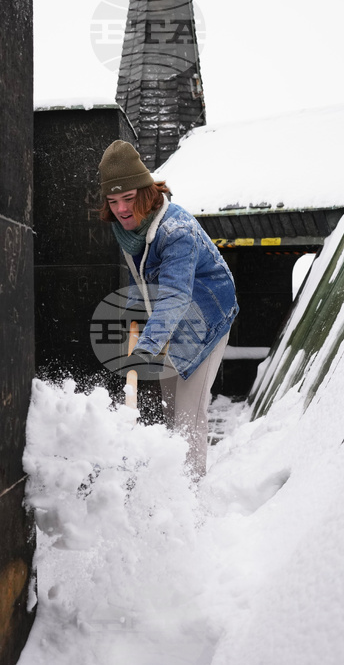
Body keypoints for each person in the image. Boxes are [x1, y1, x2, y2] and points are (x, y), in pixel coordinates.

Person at [98, 139, 239, 479]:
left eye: (128, 198)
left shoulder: (177, 230)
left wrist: (146, 346)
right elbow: (152, 280)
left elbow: (175, 294)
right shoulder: (130, 231)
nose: (121, 209)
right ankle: (173, 487)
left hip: (206, 316)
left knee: (188, 417)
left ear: (146, 192)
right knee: (171, 409)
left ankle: (192, 505)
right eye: (113, 201)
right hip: (171, 320)